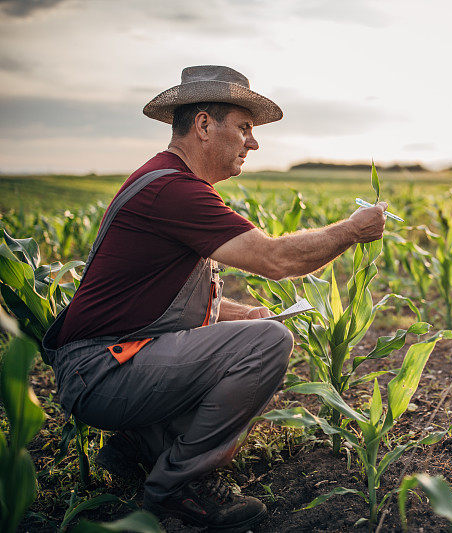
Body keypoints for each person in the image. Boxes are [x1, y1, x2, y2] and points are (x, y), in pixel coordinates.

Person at [42, 65, 387, 532]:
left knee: (252, 331)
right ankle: (177, 489)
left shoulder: (166, 180)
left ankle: (138, 448)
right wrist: (352, 230)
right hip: (103, 371)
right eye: (244, 127)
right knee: (268, 344)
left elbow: (154, 296)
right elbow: (276, 259)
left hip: (105, 364)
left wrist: (240, 313)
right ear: (204, 125)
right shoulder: (173, 190)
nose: (254, 142)